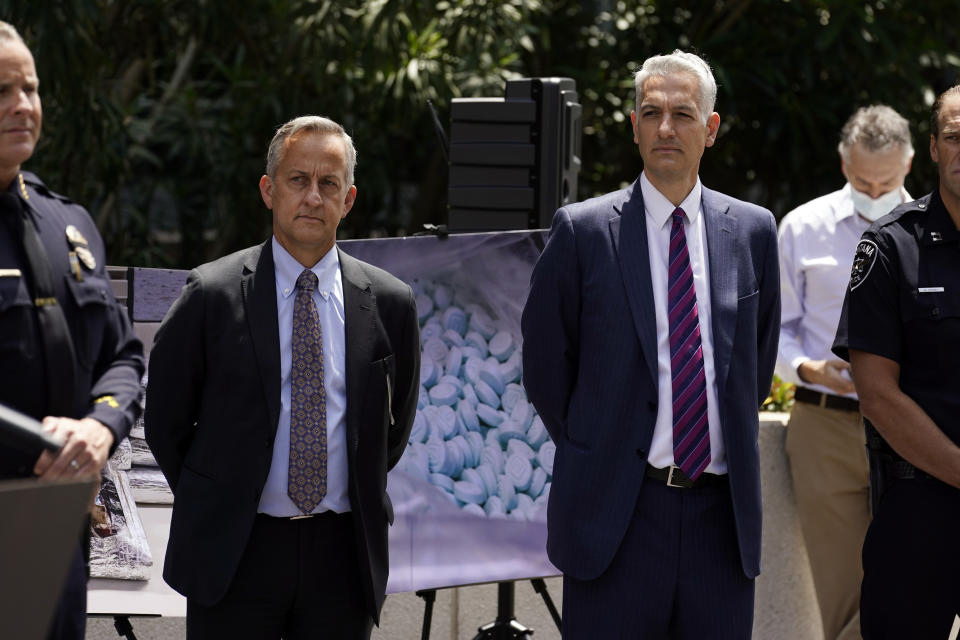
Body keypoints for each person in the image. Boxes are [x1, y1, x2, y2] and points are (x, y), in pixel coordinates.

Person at [521, 50, 780, 638]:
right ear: (633, 126)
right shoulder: (583, 230)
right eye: (652, 112)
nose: (667, 128)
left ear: (710, 130)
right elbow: (544, 365)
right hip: (617, 518)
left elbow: (754, 368)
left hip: (721, 524)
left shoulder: (754, 230)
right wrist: (601, 443)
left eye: (683, 114)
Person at [145, 115, 420, 639]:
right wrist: (221, 495)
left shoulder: (390, 302)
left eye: (328, 183)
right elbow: (165, 421)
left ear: (350, 198)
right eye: (298, 180)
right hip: (237, 551)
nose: (313, 197)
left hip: (341, 559)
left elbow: (392, 428)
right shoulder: (211, 294)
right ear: (269, 191)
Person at [0, 21, 145, 640]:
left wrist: (98, 426)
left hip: (56, 535)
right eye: (3, 91)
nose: (23, 106)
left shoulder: (72, 225)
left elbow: (122, 353)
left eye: (30, 89)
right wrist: (38, 440)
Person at [777, 105, 913, 640]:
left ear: (910, 164)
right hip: (825, 427)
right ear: (842, 164)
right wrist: (808, 367)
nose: (874, 193)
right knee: (843, 594)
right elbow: (775, 329)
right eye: (862, 181)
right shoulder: (801, 228)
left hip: (913, 425)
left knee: (912, 581)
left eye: (887, 182)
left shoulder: (937, 231)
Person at [832, 85, 960, 639]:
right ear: (933, 148)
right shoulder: (889, 246)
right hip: (918, 516)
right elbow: (878, 393)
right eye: (955, 137)